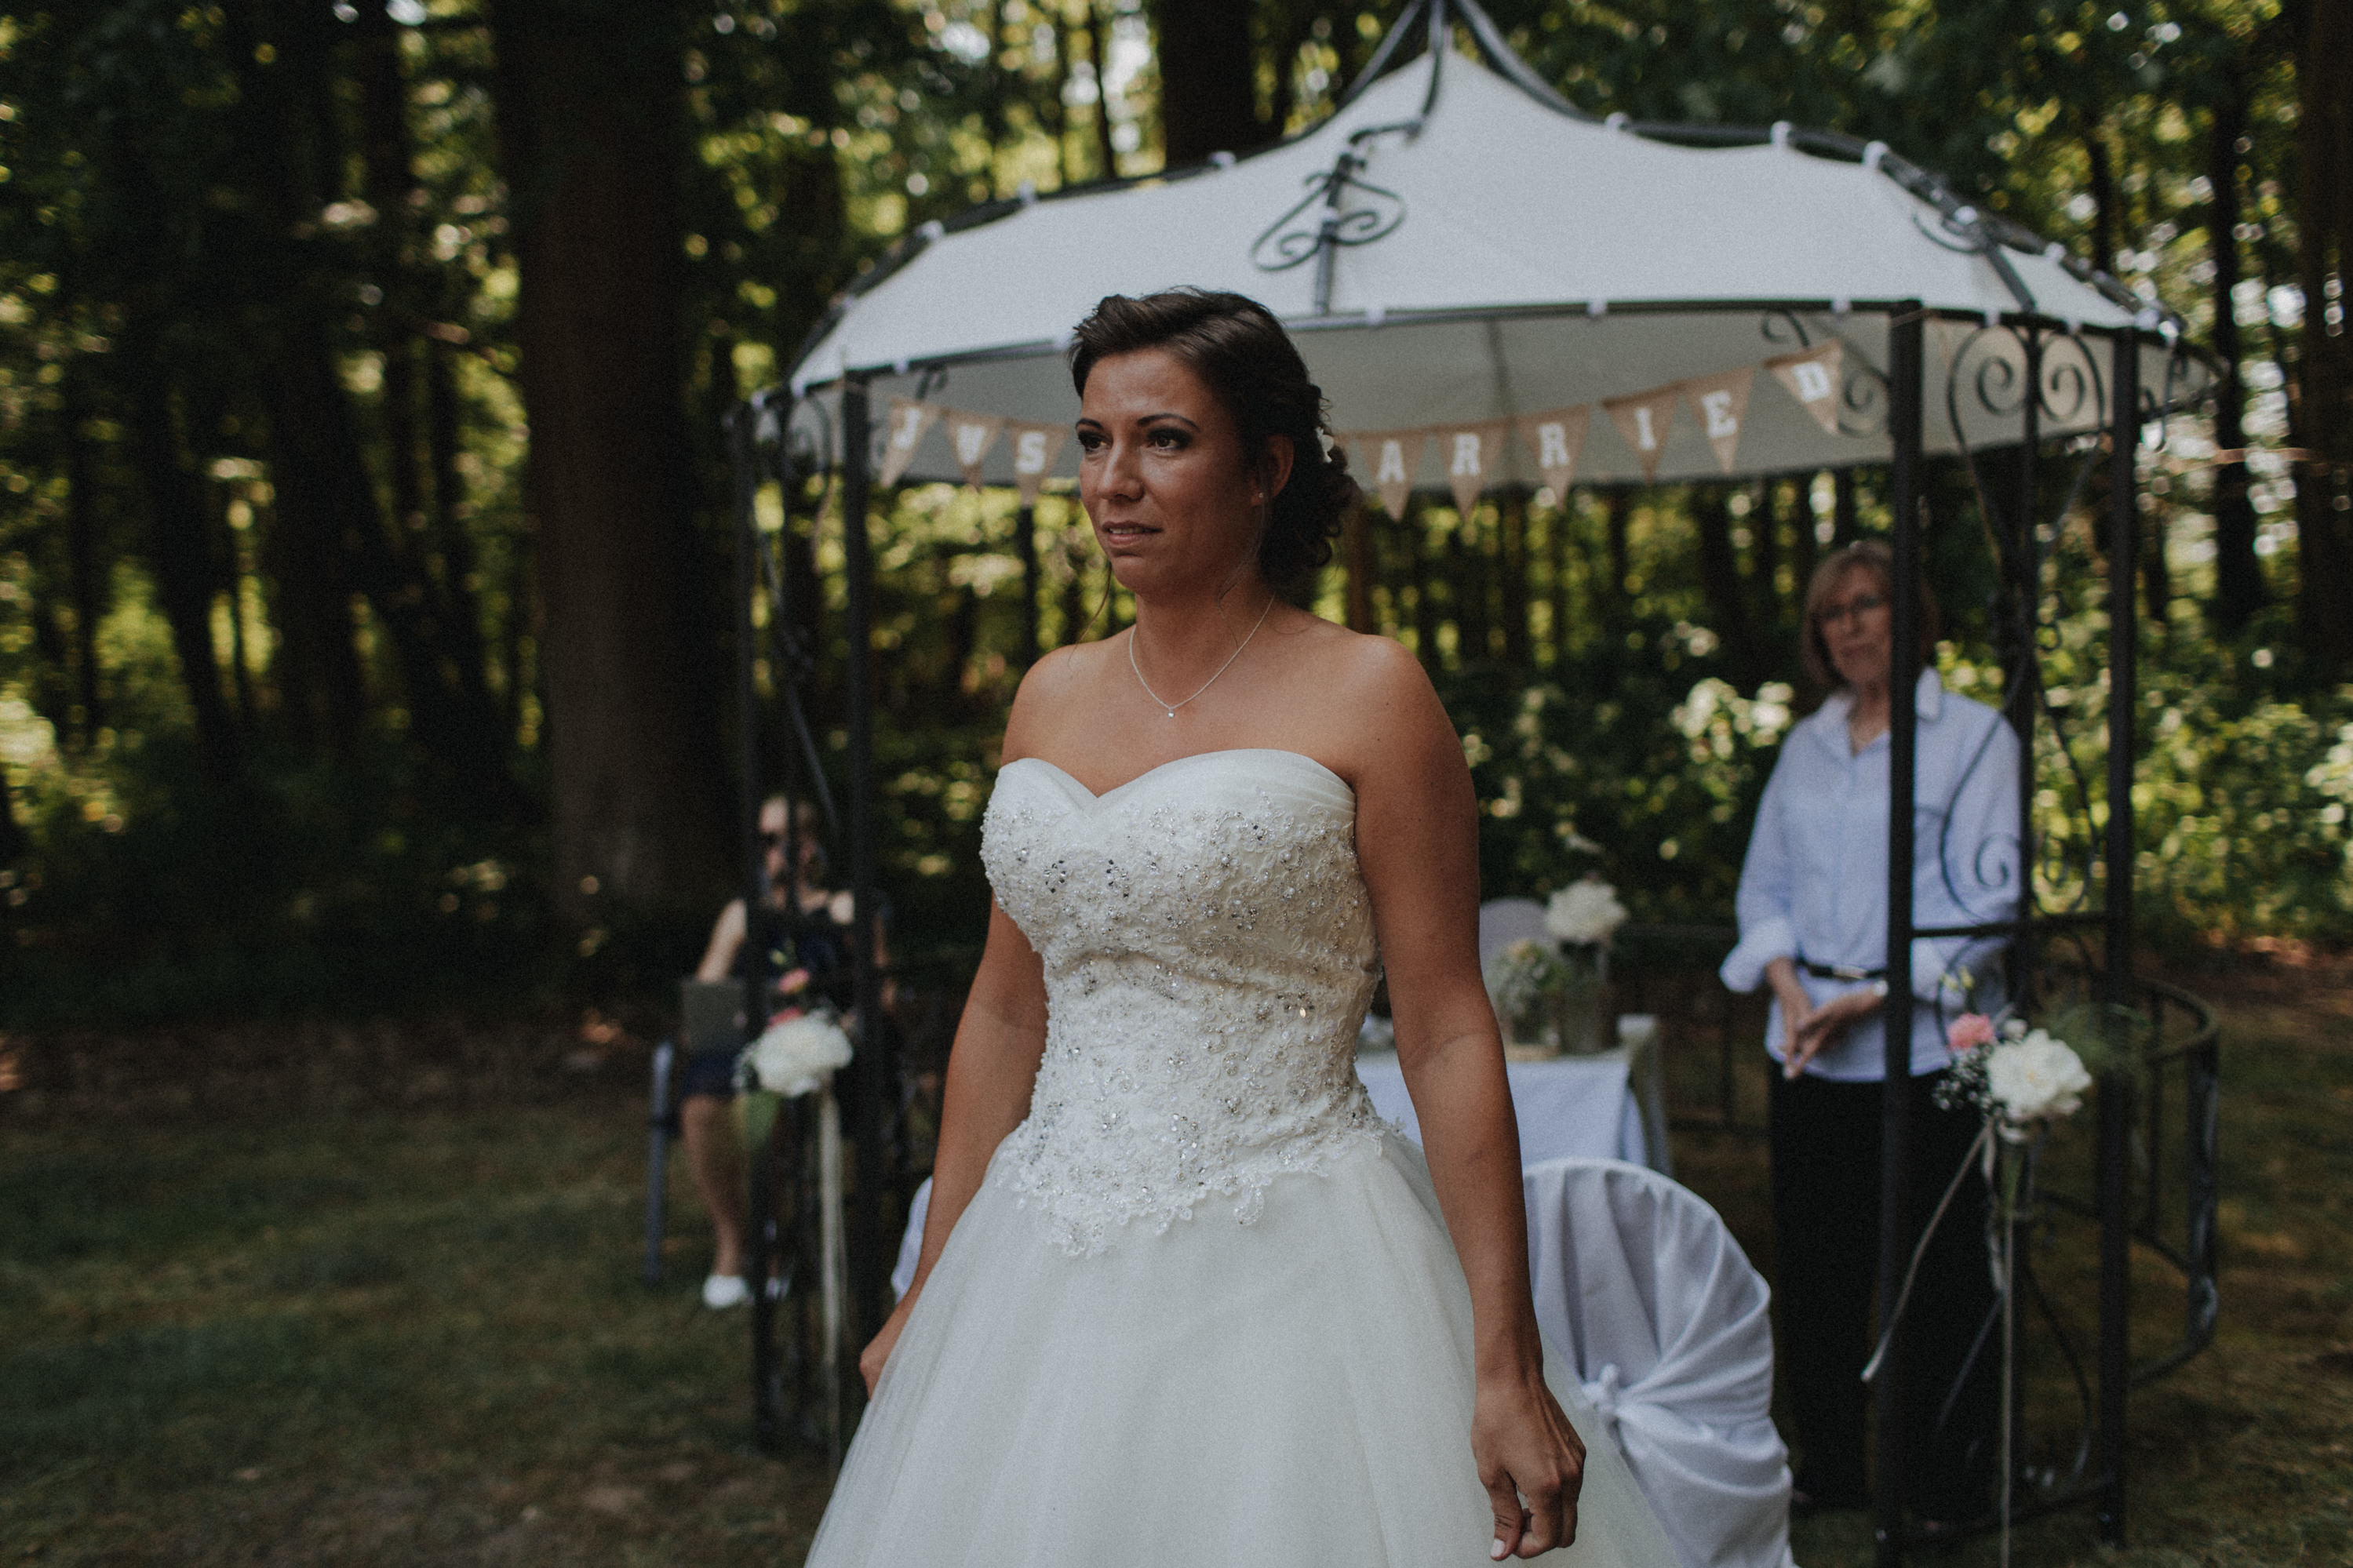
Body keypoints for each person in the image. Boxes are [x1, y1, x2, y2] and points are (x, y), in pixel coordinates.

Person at [803, 290, 1674, 1567]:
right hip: (1041, 1263)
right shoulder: (1047, 694)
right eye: (1092, 440)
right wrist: (931, 1287)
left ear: (1265, 466)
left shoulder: (1370, 691)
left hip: (1296, 1260)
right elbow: (1002, 1007)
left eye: (1161, 439)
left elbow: (1439, 1025)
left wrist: (1504, 1355)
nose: (1112, 480)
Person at [1719, 540, 2019, 1524]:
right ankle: (1830, 1468)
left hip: (1924, 1045)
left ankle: (1942, 1484)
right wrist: (1785, 983)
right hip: (1808, 1042)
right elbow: (1763, 883)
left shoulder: (1975, 739)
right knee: (1813, 1274)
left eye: (1868, 604)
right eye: (1831, 612)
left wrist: (1884, 992)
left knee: (1935, 1277)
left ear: (1911, 613)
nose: (1848, 625)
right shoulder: (1807, 743)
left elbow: (1992, 896)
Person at [683, 794, 857, 1309]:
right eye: (763, 839)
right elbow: (707, 993)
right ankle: (733, 1238)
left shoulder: (840, 908)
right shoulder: (742, 914)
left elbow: (876, 992)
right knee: (700, 1106)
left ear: (808, 843)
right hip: (742, 1040)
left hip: (814, 1044)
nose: (771, 851)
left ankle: (776, 1239)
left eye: (781, 838)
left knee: (755, 1107)